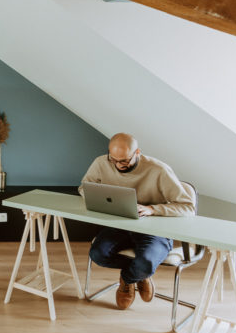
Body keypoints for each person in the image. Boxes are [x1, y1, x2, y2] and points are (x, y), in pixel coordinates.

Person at [80, 133, 195, 310]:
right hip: (120, 225)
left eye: (124, 161)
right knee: (97, 255)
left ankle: (127, 279)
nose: (119, 165)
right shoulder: (101, 163)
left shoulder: (159, 170)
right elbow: (84, 188)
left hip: (154, 229)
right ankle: (139, 274)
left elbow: (187, 207)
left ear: (137, 153)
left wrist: (153, 209)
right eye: (114, 160)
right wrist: (100, 199)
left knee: (146, 264)